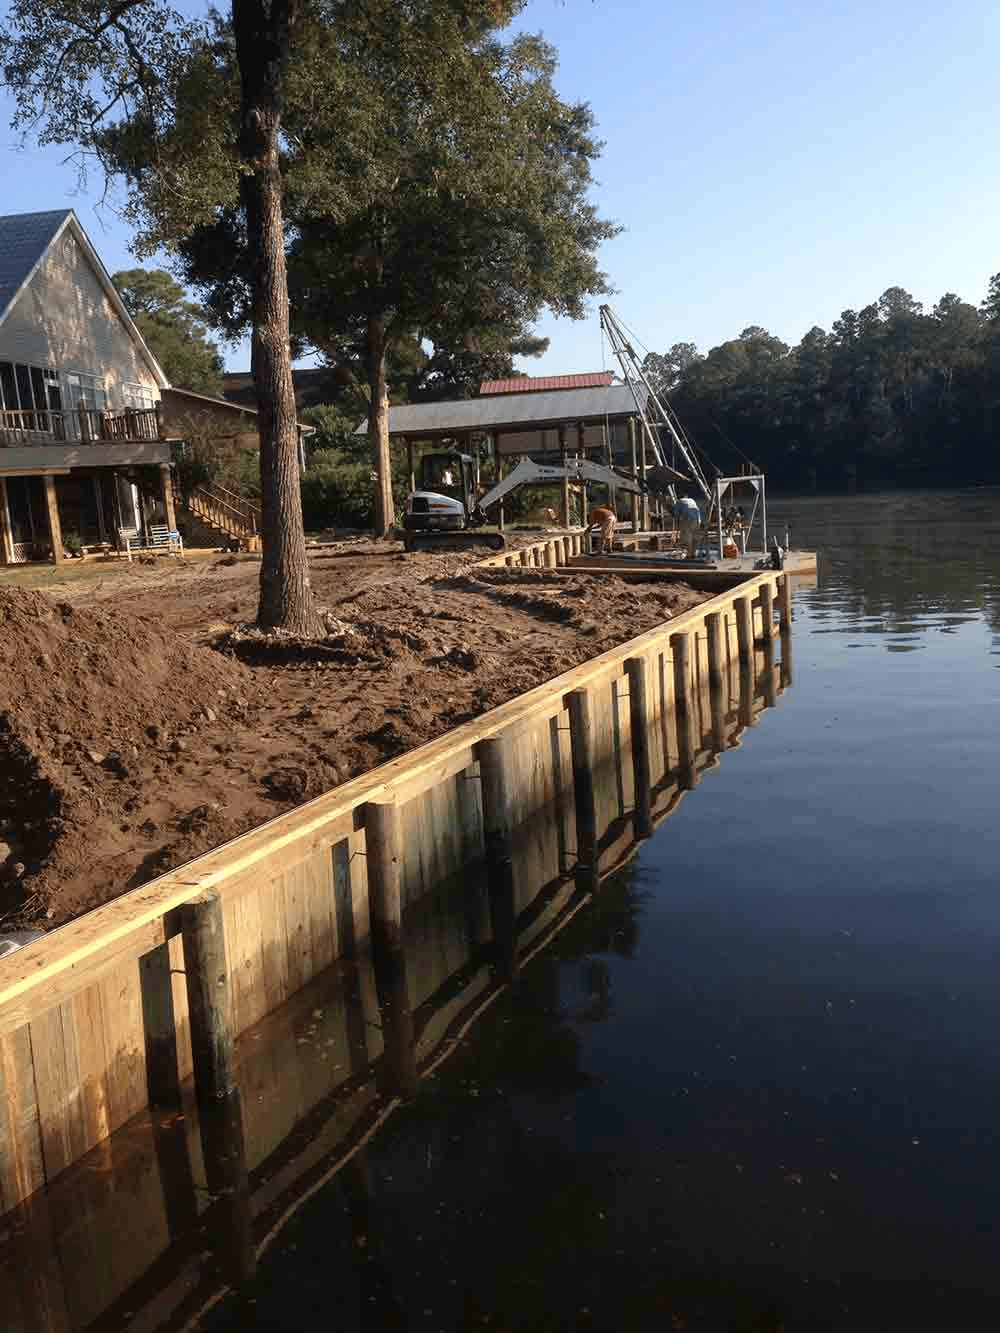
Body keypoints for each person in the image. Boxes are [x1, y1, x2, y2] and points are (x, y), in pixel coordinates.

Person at [673, 493, 703, 559]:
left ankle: (689, 555)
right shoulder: (691, 500)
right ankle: (694, 554)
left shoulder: (678, 502)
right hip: (698, 519)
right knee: (694, 537)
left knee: (688, 536)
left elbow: (675, 514)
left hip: (688, 519)